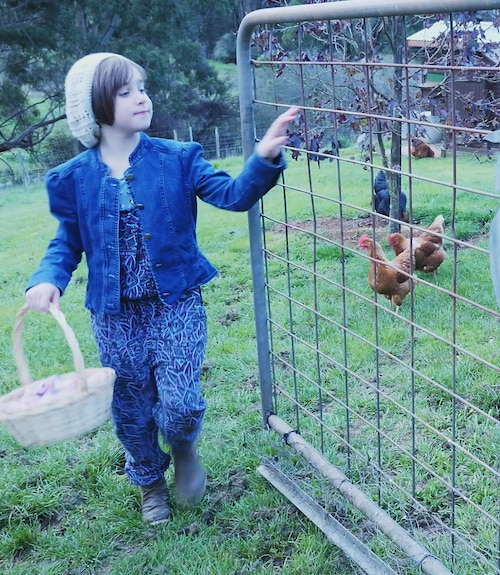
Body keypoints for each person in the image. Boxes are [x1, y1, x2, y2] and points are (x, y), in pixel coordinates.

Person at [24, 52, 299, 525]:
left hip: (176, 304)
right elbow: (67, 241)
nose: (141, 98)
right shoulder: (71, 179)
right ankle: (150, 482)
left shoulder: (178, 157)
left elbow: (233, 196)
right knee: (131, 408)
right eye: (125, 91)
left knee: (181, 401)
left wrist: (263, 157)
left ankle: (185, 448)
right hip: (114, 317)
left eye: (142, 87)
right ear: (94, 107)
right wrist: (47, 279)